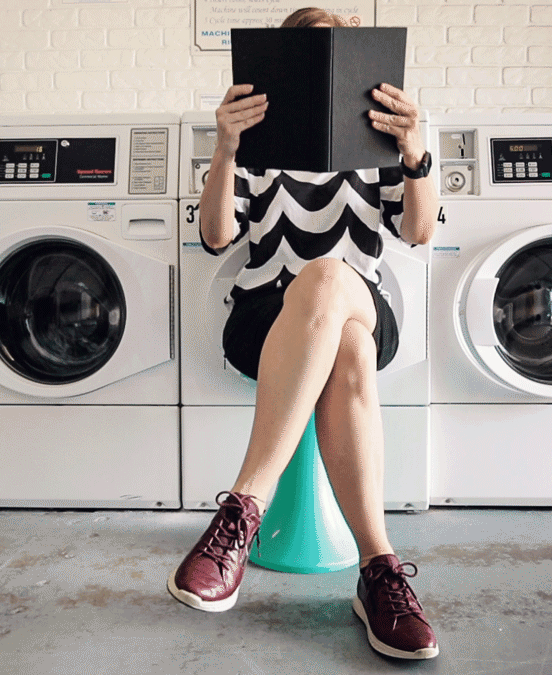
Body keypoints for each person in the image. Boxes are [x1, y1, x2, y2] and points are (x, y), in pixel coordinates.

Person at [167, 7, 440, 660]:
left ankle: (240, 512)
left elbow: (419, 232)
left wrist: (413, 150)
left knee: (326, 278)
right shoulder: (257, 143)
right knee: (336, 329)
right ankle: (380, 573)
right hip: (266, 319)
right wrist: (227, 147)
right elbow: (215, 236)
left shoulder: (379, 142)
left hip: (365, 306)